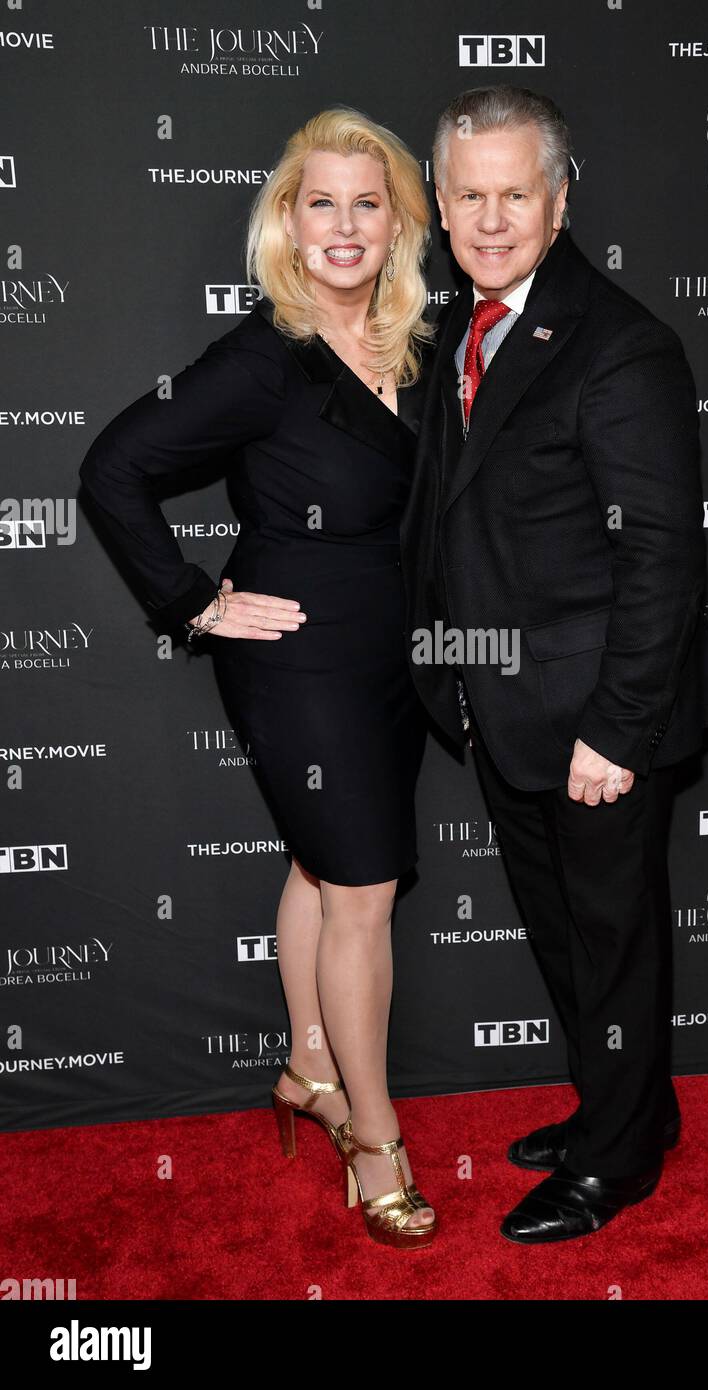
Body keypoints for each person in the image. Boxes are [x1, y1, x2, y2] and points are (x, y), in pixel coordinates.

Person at [79, 108, 439, 1249]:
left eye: (366, 203)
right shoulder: (261, 357)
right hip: (295, 655)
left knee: (322, 869)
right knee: (364, 893)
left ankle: (305, 1071)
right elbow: (114, 468)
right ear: (286, 221)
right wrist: (195, 603)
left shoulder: (418, 342)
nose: (343, 225)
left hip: (396, 652)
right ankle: (374, 1138)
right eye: (319, 202)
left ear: (397, 225)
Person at [401, 86, 708, 1244]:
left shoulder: (623, 343)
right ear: (441, 205)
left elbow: (661, 558)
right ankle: (624, 1106)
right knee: (565, 938)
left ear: (559, 198)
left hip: (598, 716)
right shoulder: (463, 325)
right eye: (469, 195)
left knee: (612, 940)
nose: (490, 218)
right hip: (507, 706)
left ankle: (619, 1161)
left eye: (515, 193)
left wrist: (618, 727)